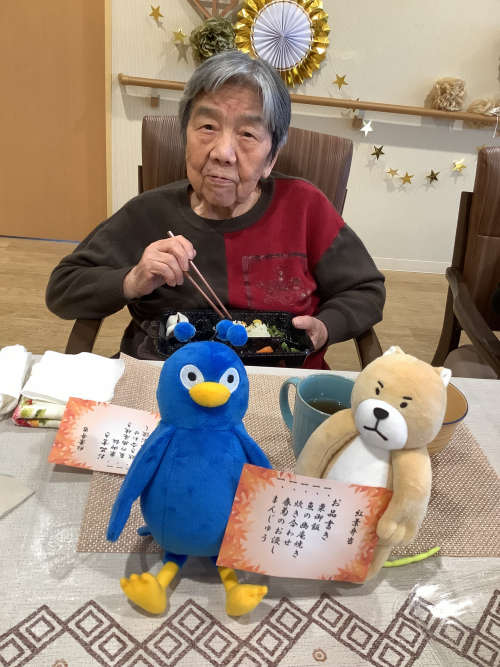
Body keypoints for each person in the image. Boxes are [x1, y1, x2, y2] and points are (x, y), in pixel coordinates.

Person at [46, 50, 385, 369]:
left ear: (271, 158)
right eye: (208, 126)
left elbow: (364, 290)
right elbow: (63, 288)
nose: (223, 152)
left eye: (247, 134)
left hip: (278, 386)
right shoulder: (148, 213)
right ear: (185, 137)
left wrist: (326, 327)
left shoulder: (304, 207)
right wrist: (132, 280)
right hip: (165, 384)